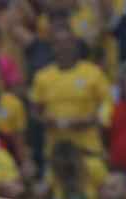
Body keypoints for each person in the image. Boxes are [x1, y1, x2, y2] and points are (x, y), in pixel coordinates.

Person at [31, 26, 113, 161]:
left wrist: (93, 119)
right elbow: (35, 112)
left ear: (75, 45)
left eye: (68, 42)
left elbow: (108, 103)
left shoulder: (93, 72)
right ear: (53, 47)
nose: (64, 47)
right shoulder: (42, 77)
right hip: (56, 150)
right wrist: (47, 121)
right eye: (59, 43)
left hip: (88, 148)